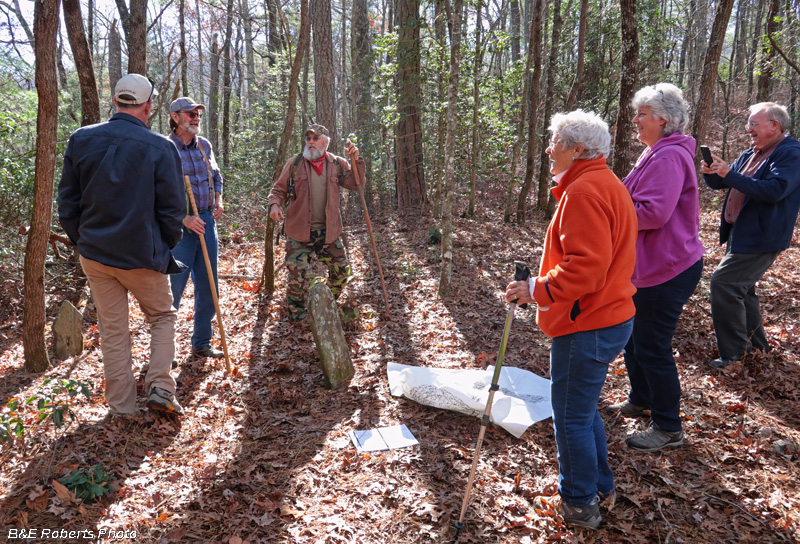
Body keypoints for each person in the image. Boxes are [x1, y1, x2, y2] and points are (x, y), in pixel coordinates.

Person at [505, 110, 637, 530]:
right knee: (582, 411)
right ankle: (598, 486)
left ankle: (579, 503)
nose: (548, 148)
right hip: (607, 318)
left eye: (555, 141)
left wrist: (536, 290)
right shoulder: (603, 182)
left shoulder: (584, 192)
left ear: (577, 150)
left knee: (571, 417)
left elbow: (586, 268)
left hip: (589, 326)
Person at [58, 74, 186, 416]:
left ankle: (122, 409)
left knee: (114, 332)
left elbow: (67, 204)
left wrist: (83, 240)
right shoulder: (161, 147)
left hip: (96, 255)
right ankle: (160, 387)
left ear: (116, 102)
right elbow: (173, 212)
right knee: (162, 316)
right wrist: (163, 246)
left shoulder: (81, 139)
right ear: (148, 107)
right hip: (141, 254)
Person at [610, 83, 705, 452]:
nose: (635, 120)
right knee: (634, 339)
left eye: (642, 114)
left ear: (663, 119)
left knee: (652, 345)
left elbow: (653, 213)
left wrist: (607, 214)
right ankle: (642, 398)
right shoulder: (654, 152)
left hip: (668, 267)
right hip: (650, 265)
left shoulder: (667, 157)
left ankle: (668, 427)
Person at [703, 103, 800, 367]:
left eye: (754, 124)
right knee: (742, 291)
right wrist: (712, 173)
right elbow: (726, 181)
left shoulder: (790, 153)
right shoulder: (752, 153)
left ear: (774, 126)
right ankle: (758, 349)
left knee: (724, 284)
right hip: (741, 232)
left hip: (762, 235)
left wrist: (730, 174)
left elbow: (774, 190)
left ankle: (735, 354)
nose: (749, 129)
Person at [267, 124, 365, 321]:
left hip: (329, 232)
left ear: (325, 142)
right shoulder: (294, 164)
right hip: (299, 232)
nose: (310, 142)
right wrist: (275, 206)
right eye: (308, 138)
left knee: (341, 271)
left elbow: (357, 185)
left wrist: (356, 161)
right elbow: (278, 190)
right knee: (296, 278)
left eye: (315, 138)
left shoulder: (337, 163)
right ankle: (297, 317)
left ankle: (324, 302)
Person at [168, 97, 225, 359]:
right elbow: (154, 193)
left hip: (206, 222)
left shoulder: (204, 146)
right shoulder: (165, 148)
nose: (195, 117)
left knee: (209, 285)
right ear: (175, 117)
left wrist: (219, 200)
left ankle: (202, 342)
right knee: (173, 290)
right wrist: (184, 218)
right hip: (179, 228)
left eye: (197, 113)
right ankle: (165, 353)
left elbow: (216, 176)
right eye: (190, 113)